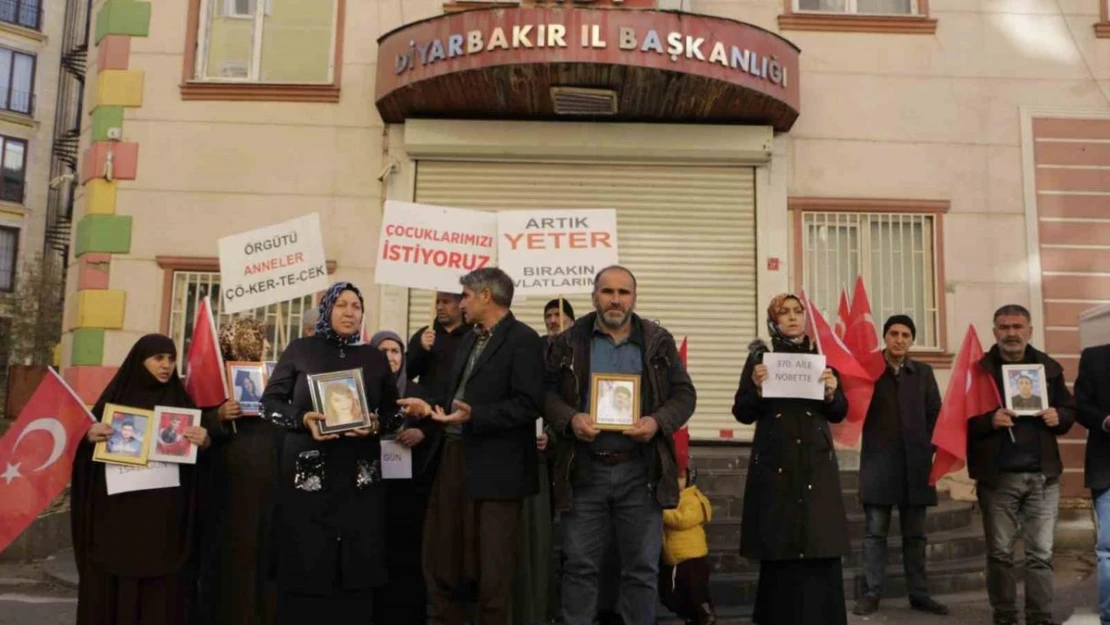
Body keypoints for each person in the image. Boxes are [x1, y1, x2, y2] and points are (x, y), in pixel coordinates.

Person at [545, 265, 697, 625]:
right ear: (594, 296)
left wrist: (657, 422)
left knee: (641, 569)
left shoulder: (658, 340)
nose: (615, 299)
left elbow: (684, 394)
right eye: (608, 291)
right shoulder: (569, 341)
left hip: (640, 471)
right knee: (579, 567)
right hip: (584, 470)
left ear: (634, 297)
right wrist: (570, 419)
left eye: (623, 292)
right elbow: (546, 393)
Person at [398, 267, 545, 625]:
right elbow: (452, 395)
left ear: (485, 296)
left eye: (464, 295)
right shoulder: (468, 339)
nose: (460, 302)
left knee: (491, 567)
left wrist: (475, 416)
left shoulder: (524, 340)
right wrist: (427, 408)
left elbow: (529, 404)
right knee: (443, 556)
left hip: (498, 470)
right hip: (452, 459)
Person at [260, 282, 401, 625]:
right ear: (327, 311)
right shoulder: (301, 349)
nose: (350, 312)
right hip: (310, 471)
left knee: (356, 560)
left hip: (358, 474)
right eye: (341, 305)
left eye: (356, 305)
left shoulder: (373, 357)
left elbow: (394, 412)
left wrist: (376, 424)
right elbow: (270, 403)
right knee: (307, 555)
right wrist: (301, 418)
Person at [71, 334, 212, 625]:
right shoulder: (114, 402)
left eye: (171, 359)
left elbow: (201, 470)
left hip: (164, 528)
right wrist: (88, 438)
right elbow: (84, 461)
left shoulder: (181, 404)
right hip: (118, 523)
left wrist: (205, 441)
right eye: (158, 358)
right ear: (140, 360)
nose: (166, 366)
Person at [732, 293, 849, 625]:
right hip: (777, 466)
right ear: (774, 320)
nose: (793, 317)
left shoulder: (821, 359)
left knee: (820, 544)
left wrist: (831, 392)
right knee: (781, 547)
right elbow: (742, 412)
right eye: (784, 313)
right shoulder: (761, 359)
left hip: (816, 465)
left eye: (798, 311)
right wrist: (755, 389)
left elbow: (840, 412)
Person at [968, 304, 1075, 625]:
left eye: (1018, 326)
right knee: (1000, 554)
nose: (1011, 333)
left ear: (1029, 330)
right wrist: (990, 420)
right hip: (998, 478)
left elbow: (1070, 411)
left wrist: (1061, 417)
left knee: (1040, 555)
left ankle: (1039, 617)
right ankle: (1004, 616)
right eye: (1004, 327)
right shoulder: (978, 372)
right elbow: (959, 422)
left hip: (1044, 478)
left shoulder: (1049, 368)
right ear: (994, 331)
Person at [852, 315, 948, 616]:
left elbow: (936, 414)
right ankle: (871, 593)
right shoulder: (869, 371)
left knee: (915, 536)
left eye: (906, 334)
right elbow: (853, 409)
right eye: (893, 333)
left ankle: (919, 594)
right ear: (885, 336)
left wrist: (925, 447)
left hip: (915, 466)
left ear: (912, 340)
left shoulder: (922, 372)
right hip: (878, 465)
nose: (899, 339)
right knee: (875, 534)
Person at [199, 316, 281, 625]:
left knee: (265, 563)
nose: (269, 345)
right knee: (233, 565)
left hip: (269, 490)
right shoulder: (213, 380)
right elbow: (191, 422)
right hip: (229, 494)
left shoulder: (274, 379)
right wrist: (217, 415)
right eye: (261, 339)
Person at [370, 330, 440, 625]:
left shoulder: (418, 392)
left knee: (407, 557)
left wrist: (421, 432)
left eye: (396, 350)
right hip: (371, 490)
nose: (390, 356)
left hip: (410, 492)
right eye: (383, 350)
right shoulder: (363, 391)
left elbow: (438, 426)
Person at [1075, 341, 1110, 625]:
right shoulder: (1094, 357)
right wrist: (1106, 422)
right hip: (1107, 468)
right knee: (1109, 549)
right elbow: (1081, 406)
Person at [659, 464, 715, 625]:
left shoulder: (692, 498)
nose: (676, 482)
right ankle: (693, 616)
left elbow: (682, 520)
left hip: (690, 557)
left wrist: (661, 512)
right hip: (674, 558)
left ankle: (704, 615)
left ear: (690, 479)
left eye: (681, 478)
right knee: (669, 594)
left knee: (695, 592)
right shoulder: (670, 498)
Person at [407, 290, 472, 397]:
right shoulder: (425, 334)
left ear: (461, 303)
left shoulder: (472, 335)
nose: (439, 307)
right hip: (427, 406)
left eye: (446, 302)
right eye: (437, 302)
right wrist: (420, 348)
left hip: (459, 407)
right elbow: (406, 373)